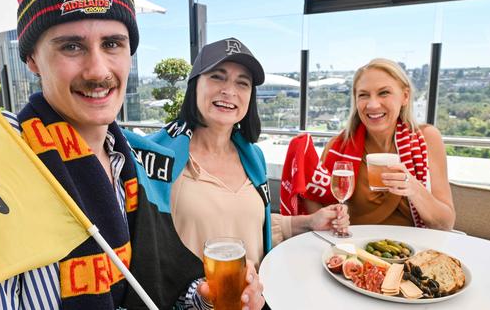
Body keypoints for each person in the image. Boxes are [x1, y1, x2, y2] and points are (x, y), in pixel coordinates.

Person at [0, 0, 262, 310]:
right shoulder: (4, 160)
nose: (98, 70)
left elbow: (156, 286)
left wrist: (205, 300)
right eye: (71, 46)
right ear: (32, 59)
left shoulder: (128, 161)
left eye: (112, 44)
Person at [127, 38, 349, 280]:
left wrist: (309, 222)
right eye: (217, 77)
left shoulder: (253, 157)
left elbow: (249, 225)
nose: (229, 90)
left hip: (256, 299)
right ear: (194, 85)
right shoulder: (154, 159)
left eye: (242, 83)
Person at [282, 58, 455, 230]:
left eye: (384, 93)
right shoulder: (338, 146)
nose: (372, 105)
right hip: (356, 250)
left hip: (414, 252)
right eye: (363, 95)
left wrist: (414, 189)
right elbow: (319, 214)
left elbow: (445, 224)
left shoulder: (427, 138)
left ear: (405, 96)